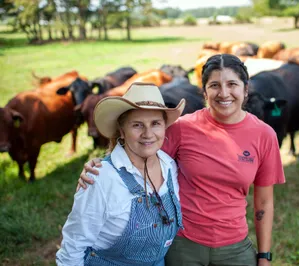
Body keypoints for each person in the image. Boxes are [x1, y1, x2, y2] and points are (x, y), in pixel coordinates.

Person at [78, 54, 286, 266]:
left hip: (234, 246)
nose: (224, 93)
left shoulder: (264, 135)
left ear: (245, 89)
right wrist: (102, 166)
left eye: (232, 84)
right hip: (182, 244)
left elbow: (264, 202)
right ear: (204, 91)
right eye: (214, 85)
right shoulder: (183, 128)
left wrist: (264, 256)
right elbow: (139, 153)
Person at [56, 82, 186, 266]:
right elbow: (73, 246)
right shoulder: (101, 178)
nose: (148, 134)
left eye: (155, 123)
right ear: (122, 131)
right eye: (137, 125)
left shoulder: (169, 166)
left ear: (164, 127)